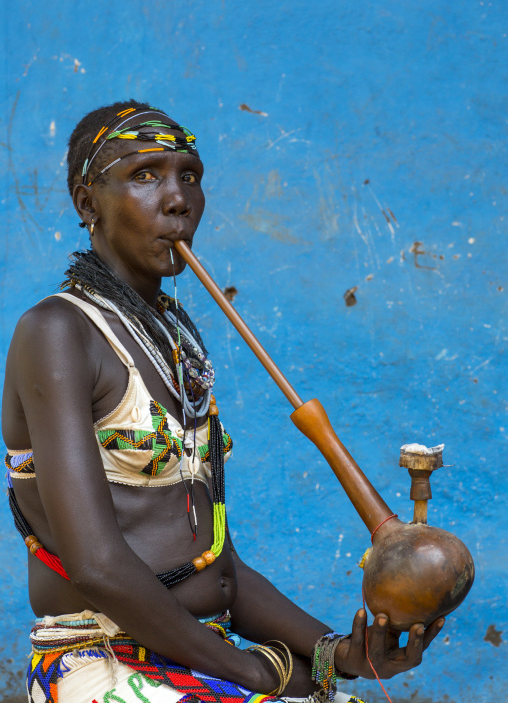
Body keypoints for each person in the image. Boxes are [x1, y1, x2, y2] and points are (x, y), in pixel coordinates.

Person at [2, 100, 444, 703]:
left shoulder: (176, 343)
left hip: (200, 655)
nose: (178, 198)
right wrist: (250, 673)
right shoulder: (58, 331)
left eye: (189, 175)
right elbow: (97, 566)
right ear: (87, 205)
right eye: (145, 175)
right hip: (102, 663)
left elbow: (218, 567)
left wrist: (340, 655)